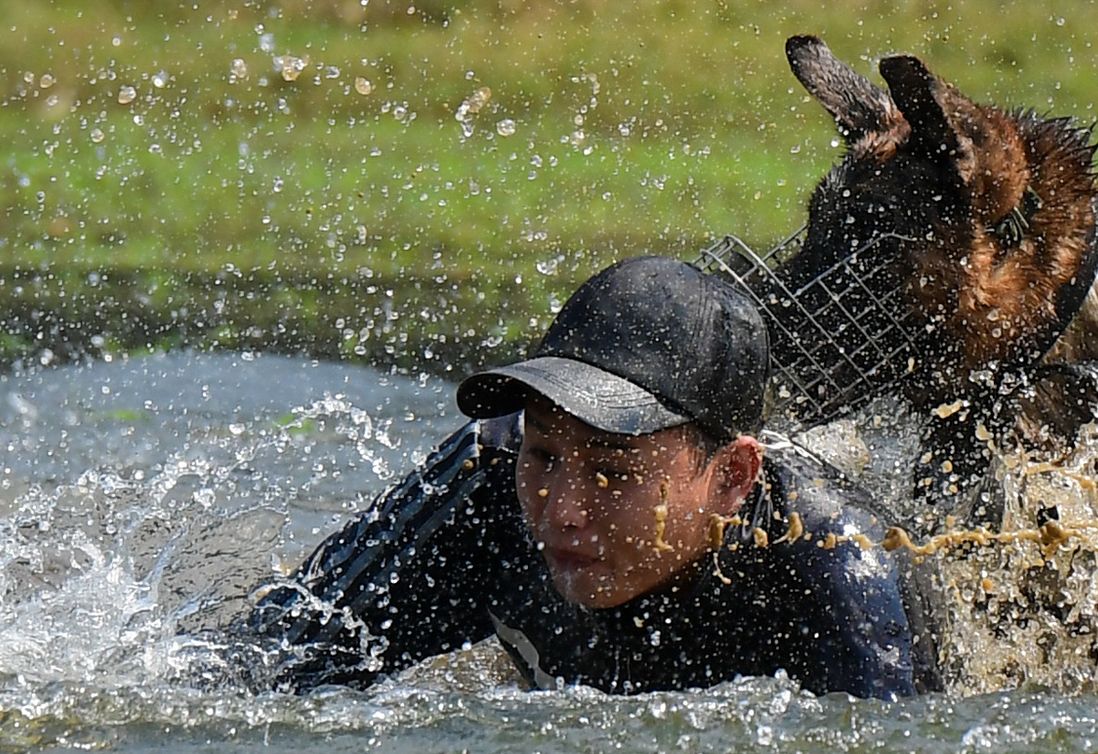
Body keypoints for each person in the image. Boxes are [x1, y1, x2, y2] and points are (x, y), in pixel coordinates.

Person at [236, 256, 919, 698]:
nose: (560, 510)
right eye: (544, 456)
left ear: (731, 477)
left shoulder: (836, 564)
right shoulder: (485, 478)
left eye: (612, 472)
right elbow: (250, 675)